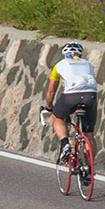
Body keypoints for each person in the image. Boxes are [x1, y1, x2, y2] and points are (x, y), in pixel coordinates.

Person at [43, 41, 98, 184]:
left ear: (64, 54)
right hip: (90, 96)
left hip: (70, 96)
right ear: (80, 54)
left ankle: (66, 143)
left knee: (58, 116)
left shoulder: (59, 65)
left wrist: (49, 107)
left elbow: (50, 92)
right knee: (89, 134)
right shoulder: (87, 64)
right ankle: (89, 168)